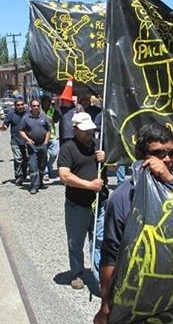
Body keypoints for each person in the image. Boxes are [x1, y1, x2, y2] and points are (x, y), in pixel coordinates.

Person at [94, 123, 173, 324]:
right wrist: (106, 306)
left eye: (171, 153)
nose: (167, 159)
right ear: (140, 155)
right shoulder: (123, 198)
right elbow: (111, 256)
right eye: (158, 153)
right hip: (142, 296)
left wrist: (170, 180)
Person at [57, 112, 108, 291]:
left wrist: (107, 159)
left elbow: (117, 167)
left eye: (91, 130)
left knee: (100, 240)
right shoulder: (68, 148)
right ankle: (77, 272)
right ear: (75, 130)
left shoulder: (99, 146)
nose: (89, 134)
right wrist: (89, 185)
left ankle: (101, 276)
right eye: (85, 131)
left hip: (100, 203)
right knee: (76, 242)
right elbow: (64, 175)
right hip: (77, 204)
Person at [19, 98, 51, 195]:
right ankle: (34, 186)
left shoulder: (43, 116)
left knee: (42, 164)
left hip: (43, 144)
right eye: (34, 106)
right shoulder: (26, 118)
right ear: (30, 107)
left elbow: (48, 129)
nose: (36, 107)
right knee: (33, 166)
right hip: (32, 145)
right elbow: (21, 130)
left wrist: (46, 141)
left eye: (37, 106)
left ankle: (40, 181)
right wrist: (27, 139)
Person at [2, 98, 29, 186]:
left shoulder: (28, 113)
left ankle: (24, 173)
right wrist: (4, 127)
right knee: (18, 159)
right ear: (15, 106)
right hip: (15, 140)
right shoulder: (11, 114)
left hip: (26, 140)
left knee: (26, 159)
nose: (20, 107)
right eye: (18, 105)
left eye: (22, 104)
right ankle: (18, 176)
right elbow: (6, 123)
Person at [41, 94, 61, 180]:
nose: (46, 104)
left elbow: (56, 119)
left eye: (48, 102)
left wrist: (48, 118)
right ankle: (45, 172)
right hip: (42, 137)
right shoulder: (38, 111)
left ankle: (49, 166)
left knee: (54, 154)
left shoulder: (54, 111)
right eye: (44, 102)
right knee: (44, 155)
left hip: (53, 136)